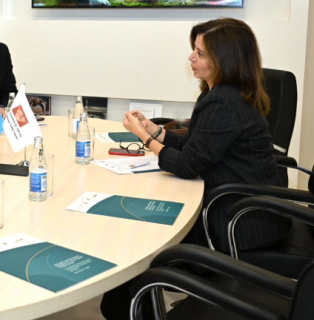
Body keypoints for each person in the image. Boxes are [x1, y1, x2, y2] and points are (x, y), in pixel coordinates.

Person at [100, 18, 291, 320]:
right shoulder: (221, 94)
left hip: (238, 223)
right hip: (235, 206)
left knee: (137, 254)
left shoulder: (223, 103)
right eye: (194, 50)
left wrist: (145, 137)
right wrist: (158, 131)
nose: (191, 57)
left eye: (200, 53)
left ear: (223, 60)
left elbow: (188, 165)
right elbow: (196, 148)